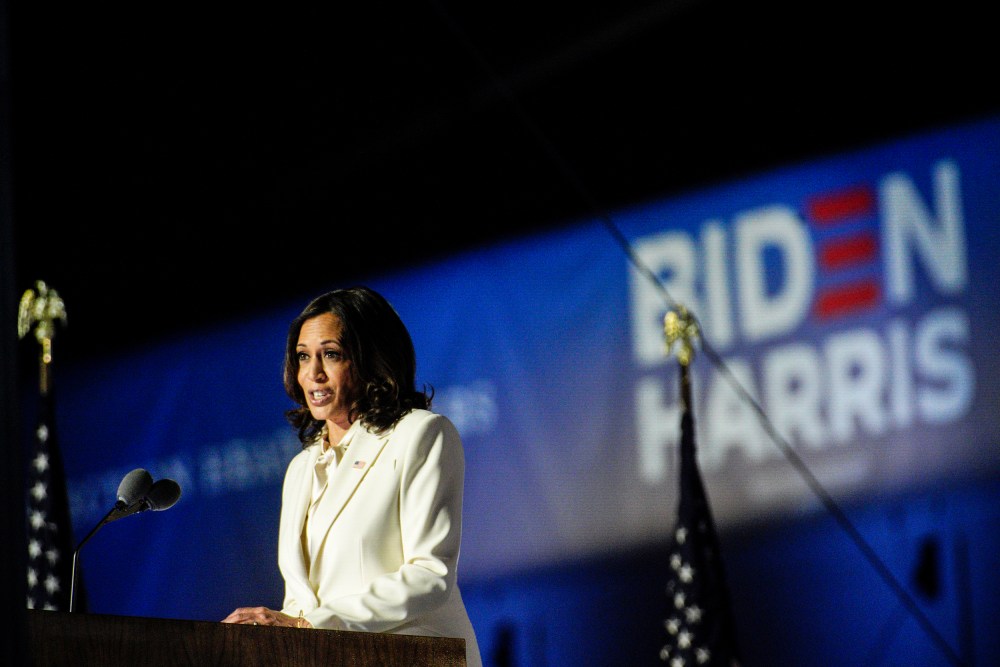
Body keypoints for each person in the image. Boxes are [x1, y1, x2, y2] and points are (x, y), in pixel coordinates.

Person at [223, 286, 482, 667]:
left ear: (370, 359)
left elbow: (430, 575)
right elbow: (299, 601)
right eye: (303, 357)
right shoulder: (300, 470)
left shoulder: (421, 434)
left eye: (330, 355)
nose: (313, 374)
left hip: (415, 656)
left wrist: (308, 626)